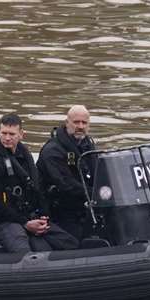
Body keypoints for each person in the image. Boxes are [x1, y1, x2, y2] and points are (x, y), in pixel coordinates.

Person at [0, 114, 79, 253]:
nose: (7, 138)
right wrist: (25, 223)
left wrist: (43, 215)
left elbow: (37, 187)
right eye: (3, 133)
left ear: (21, 134)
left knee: (69, 242)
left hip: (25, 215)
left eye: (12, 134)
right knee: (23, 250)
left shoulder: (23, 155)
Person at [38, 103, 102, 242]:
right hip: (59, 211)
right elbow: (65, 184)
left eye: (84, 122)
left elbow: (98, 171)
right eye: (76, 122)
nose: (80, 126)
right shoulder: (53, 151)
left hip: (83, 206)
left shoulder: (87, 145)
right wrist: (97, 193)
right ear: (67, 123)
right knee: (77, 242)